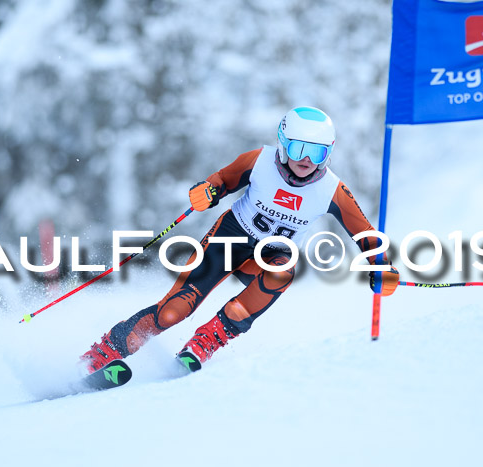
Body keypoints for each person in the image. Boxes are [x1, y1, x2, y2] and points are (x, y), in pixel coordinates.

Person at [80, 106, 399, 373]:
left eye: (319, 152)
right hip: (231, 237)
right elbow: (222, 180)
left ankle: (206, 341)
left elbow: (365, 233)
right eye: (300, 148)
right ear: (283, 142)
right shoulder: (259, 161)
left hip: (273, 255)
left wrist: (380, 266)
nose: (308, 160)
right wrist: (208, 191)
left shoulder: (332, 190)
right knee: (172, 311)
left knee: (281, 272)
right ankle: (103, 354)